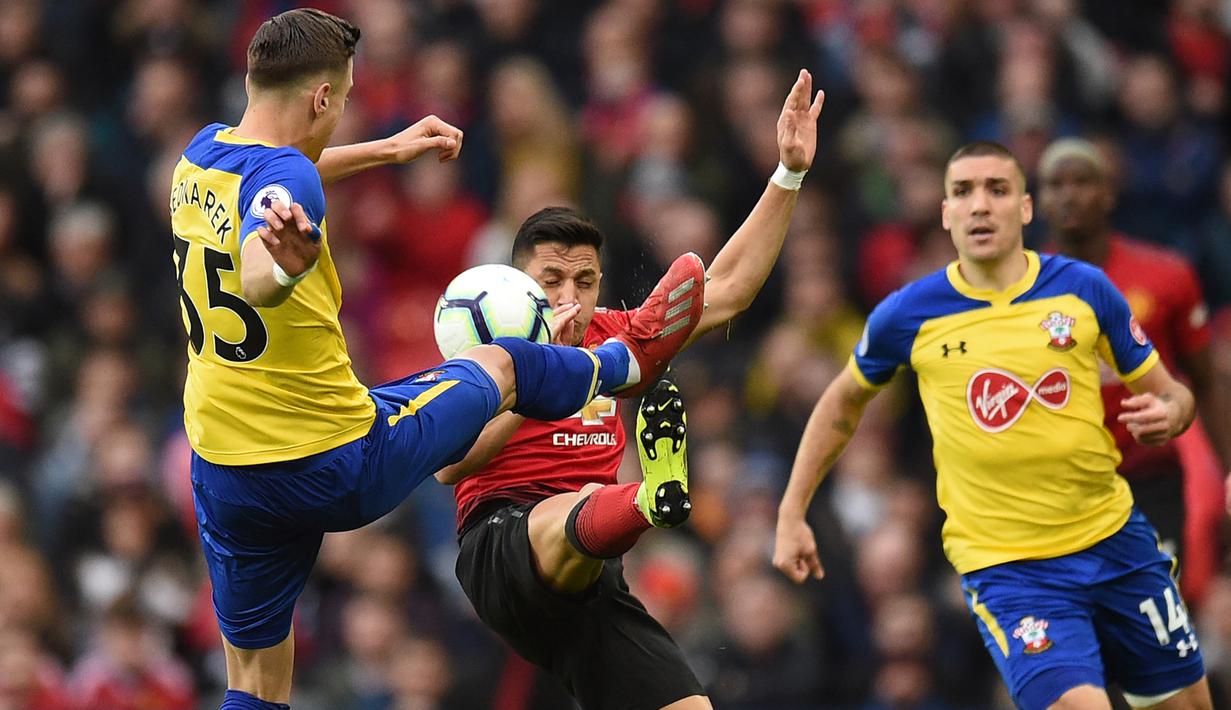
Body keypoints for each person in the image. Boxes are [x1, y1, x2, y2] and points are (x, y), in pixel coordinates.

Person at [172, 9, 705, 709]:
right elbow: (257, 270)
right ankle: (622, 364)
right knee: (506, 362)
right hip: (332, 459)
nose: (343, 113)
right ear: (322, 98)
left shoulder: (201, 157)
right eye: (345, 99)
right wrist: (283, 270)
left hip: (225, 466)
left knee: (254, 678)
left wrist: (386, 150)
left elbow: (281, 175)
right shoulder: (285, 187)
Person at [773, 141, 1214, 710]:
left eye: (997, 190)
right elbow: (841, 404)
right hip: (1013, 572)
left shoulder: (1084, 289)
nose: (979, 205)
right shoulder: (908, 314)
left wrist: (1172, 413)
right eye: (963, 192)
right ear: (946, 214)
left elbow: (1173, 392)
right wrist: (791, 511)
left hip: (1115, 543)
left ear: (1026, 208)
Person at [436, 71, 825, 710]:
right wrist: (546, 372)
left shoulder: (619, 341)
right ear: (517, 281)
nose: (570, 295)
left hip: (594, 577)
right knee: (582, 502)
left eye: (585, 281)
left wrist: (787, 174)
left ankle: (644, 501)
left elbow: (729, 291)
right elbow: (449, 466)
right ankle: (647, 500)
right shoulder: (488, 350)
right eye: (552, 279)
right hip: (503, 547)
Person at [1037, 137, 1230, 571]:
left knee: (1156, 603)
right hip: (1060, 489)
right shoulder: (1016, 293)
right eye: (1055, 185)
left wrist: (1228, 470)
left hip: (1149, 479)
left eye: (1082, 182)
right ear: (1038, 201)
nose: (1069, 195)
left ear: (1108, 193)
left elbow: (1206, 381)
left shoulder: (1167, 276)